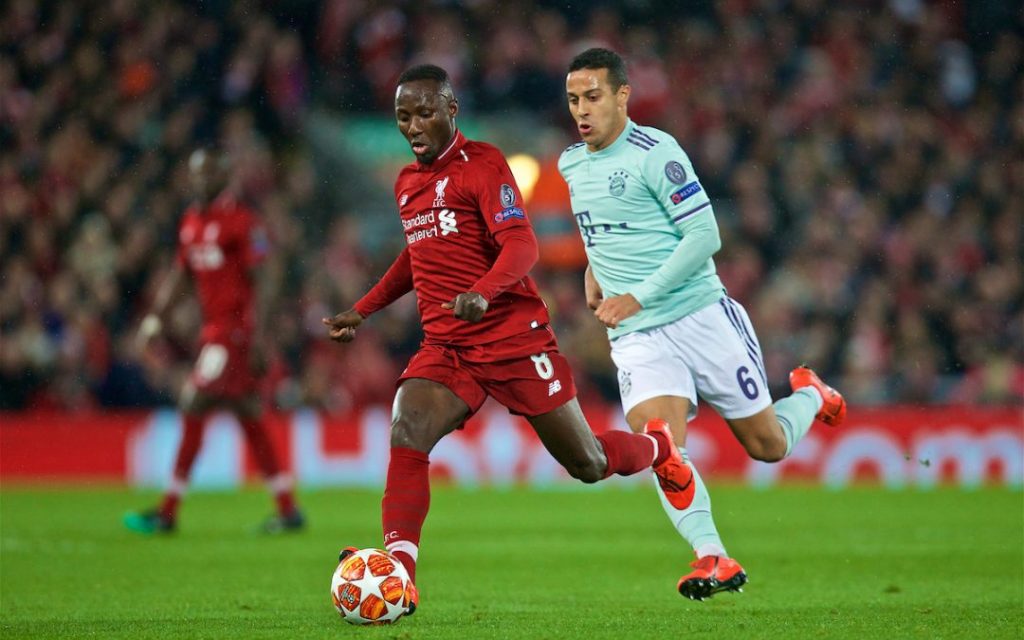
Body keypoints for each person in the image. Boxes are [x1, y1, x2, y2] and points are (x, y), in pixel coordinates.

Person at [323, 64, 693, 617]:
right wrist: (364, 308)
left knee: (588, 463)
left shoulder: (484, 165)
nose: (413, 125)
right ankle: (401, 572)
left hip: (512, 339)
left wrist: (484, 291)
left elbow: (522, 246)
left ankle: (661, 446)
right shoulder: (407, 183)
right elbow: (414, 259)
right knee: (408, 428)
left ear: (452, 109)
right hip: (448, 346)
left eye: (425, 112)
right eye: (403, 116)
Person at [558, 48, 847, 601]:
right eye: (573, 100)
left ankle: (810, 393)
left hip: (700, 316)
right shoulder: (571, 162)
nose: (582, 110)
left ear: (623, 95)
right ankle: (712, 555)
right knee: (661, 443)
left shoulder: (656, 152)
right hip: (638, 335)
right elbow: (603, 227)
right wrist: (596, 271)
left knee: (767, 446)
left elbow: (704, 238)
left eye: (593, 97)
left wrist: (637, 296)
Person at [124, 148, 304, 535]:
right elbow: (181, 275)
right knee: (250, 414)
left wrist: (259, 336)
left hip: (234, 334)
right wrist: (157, 317)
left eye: (207, 174)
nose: (199, 181)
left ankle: (168, 511)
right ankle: (288, 510)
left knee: (194, 399)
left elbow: (266, 280)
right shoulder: (191, 221)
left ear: (224, 175)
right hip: (214, 331)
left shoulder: (242, 222)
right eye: (194, 174)